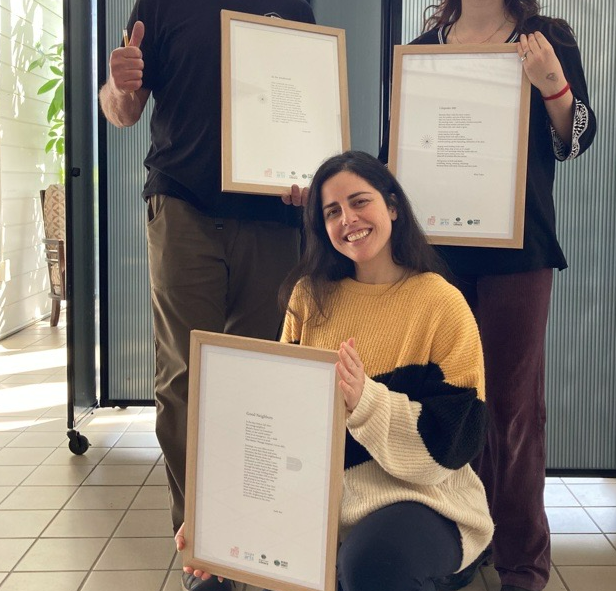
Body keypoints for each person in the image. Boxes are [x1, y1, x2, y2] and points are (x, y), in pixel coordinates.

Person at [99, 0, 314, 591]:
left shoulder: (292, 9)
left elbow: (305, 125)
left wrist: (307, 178)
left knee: (258, 382)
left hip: (269, 225)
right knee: (187, 381)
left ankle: (250, 541)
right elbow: (125, 113)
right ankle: (203, 548)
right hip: (183, 207)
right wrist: (116, 86)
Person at [178, 151, 493, 591]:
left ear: (393, 207)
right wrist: (217, 514)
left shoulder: (441, 303)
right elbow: (272, 423)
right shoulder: (309, 296)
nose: (348, 218)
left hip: (422, 498)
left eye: (360, 202)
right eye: (332, 211)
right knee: (207, 579)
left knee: (369, 564)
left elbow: (453, 444)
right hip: (317, 499)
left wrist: (366, 400)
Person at [408, 0, 597, 591]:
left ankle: (520, 561)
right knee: (447, 399)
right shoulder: (422, 50)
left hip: (521, 254)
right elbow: (400, 152)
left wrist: (553, 83)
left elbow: (573, 140)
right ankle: (458, 544)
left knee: (513, 409)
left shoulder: (547, 38)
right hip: (436, 256)